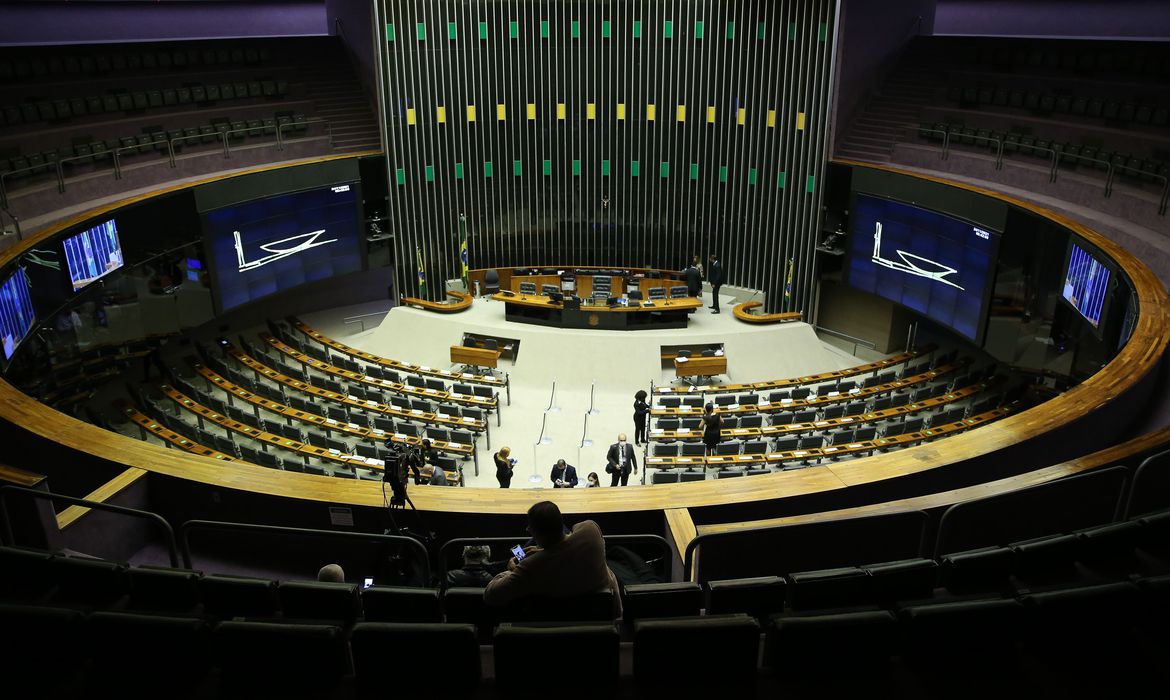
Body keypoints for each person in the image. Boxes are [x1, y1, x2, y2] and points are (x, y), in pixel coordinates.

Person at [484, 501, 622, 617]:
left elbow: (490, 595)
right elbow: (568, 546)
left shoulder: (530, 567)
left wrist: (512, 570)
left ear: (535, 531)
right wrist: (545, 551)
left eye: (530, 526)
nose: (527, 529)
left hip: (554, 622)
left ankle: (492, 566)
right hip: (605, 615)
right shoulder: (590, 532)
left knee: (524, 548)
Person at [702, 402, 723, 468]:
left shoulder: (705, 417)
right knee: (714, 447)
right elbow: (722, 421)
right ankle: (713, 462)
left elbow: (700, 426)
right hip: (716, 433)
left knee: (708, 448)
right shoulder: (717, 415)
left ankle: (708, 463)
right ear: (712, 409)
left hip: (709, 434)